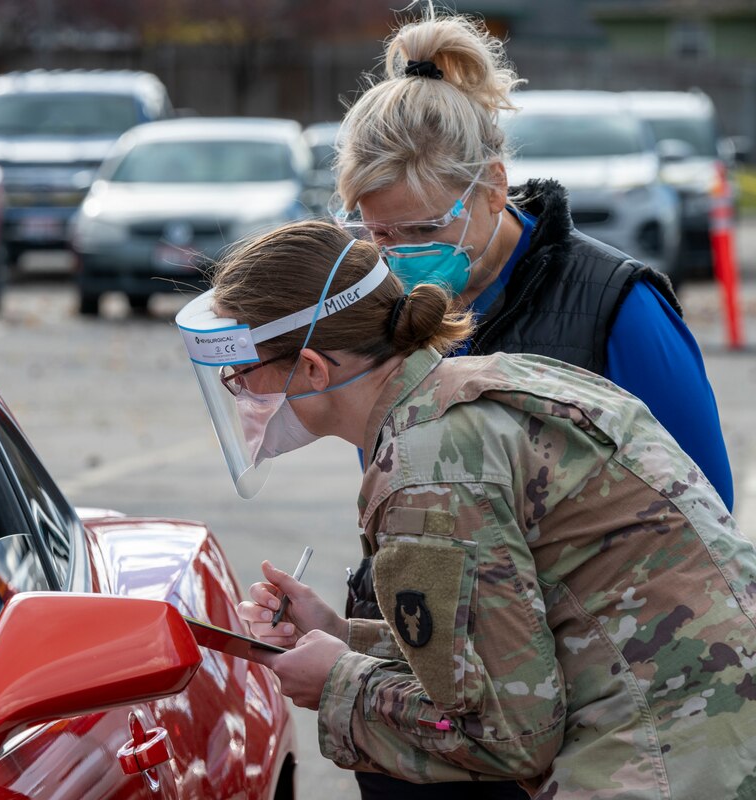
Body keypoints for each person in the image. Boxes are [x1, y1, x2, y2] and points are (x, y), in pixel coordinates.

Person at [173, 219, 756, 798]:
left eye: (243, 377)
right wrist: (341, 635)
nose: (242, 396)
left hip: (667, 762)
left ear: (312, 369)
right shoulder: (493, 382)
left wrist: (336, 684)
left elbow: (510, 734)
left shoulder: (427, 471)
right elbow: (514, 643)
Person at [328, 10, 734, 797]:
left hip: (604, 724)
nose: (400, 258)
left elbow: (704, 522)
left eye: (420, 228)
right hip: (452, 716)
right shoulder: (389, 313)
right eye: (376, 236)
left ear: (492, 190)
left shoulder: (618, 305)